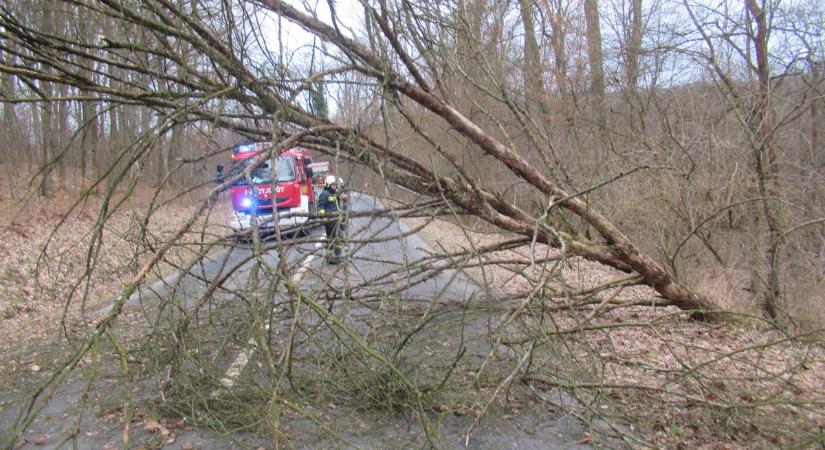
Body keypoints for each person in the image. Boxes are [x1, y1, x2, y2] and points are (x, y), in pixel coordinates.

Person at [317, 174, 344, 263]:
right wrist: (323, 215)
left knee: (330, 239)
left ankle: (329, 258)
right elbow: (321, 206)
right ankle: (337, 257)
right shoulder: (324, 194)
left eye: (335, 185)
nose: (334, 186)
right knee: (339, 237)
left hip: (335, 219)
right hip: (329, 221)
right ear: (328, 185)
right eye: (333, 185)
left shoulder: (334, 193)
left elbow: (337, 204)